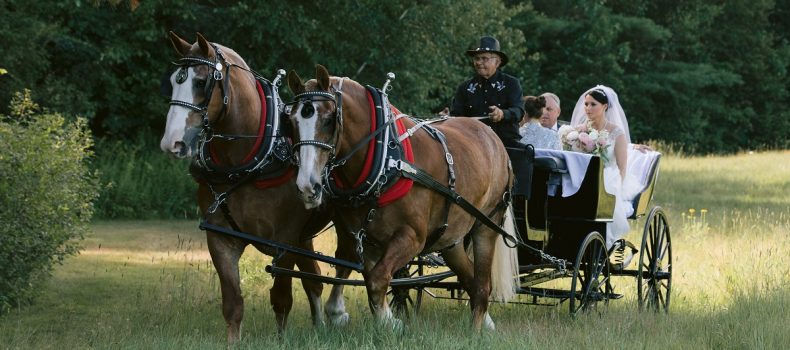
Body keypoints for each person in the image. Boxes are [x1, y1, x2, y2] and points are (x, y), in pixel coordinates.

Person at [570, 85, 645, 265]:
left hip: (609, 175)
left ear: (605, 106)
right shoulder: (580, 131)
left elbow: (621, 167)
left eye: (593, 104)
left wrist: (615, 184)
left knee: (605, 185)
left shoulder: (616, 133)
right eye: (586, 104)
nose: (587, 108)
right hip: (582, 174)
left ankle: (606, 244)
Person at [449, 36, 525, 148]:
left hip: (505, 144)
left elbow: (519, 111)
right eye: (476, 58)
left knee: (526, 159)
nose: (479, 62)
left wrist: (502, 114)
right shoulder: (465, 88)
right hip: (472, 145)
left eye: (484, 58)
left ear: (498, 62)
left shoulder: (511, 84)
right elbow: (456, 116)